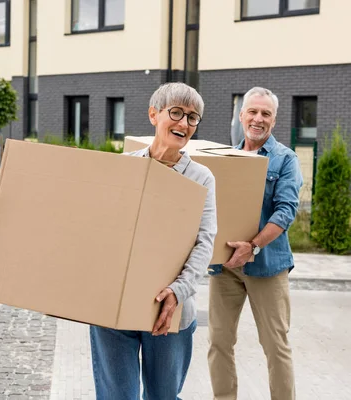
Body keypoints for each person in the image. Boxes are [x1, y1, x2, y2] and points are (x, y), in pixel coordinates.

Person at [89, 82, 218, 400]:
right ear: (153, 114)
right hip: (114, 306)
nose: (184, 123)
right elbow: (98, 231)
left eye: (192, 117)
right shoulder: (125, 166)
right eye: (176, 112)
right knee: (117, 396)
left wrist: (178, 291)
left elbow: (205, 241)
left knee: (162, 396)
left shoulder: (201, 177)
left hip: (169, 309)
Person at [207, 86, 303, 400]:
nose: (258, 119)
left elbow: (286, 211)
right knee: (219, 342)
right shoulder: (226, 158)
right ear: (241, 115)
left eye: (265, 114)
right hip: (226, 266)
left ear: (274, 120)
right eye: (253, 111)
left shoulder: (285, 159)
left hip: (268, 266)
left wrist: (254, 246)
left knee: (276, 347)